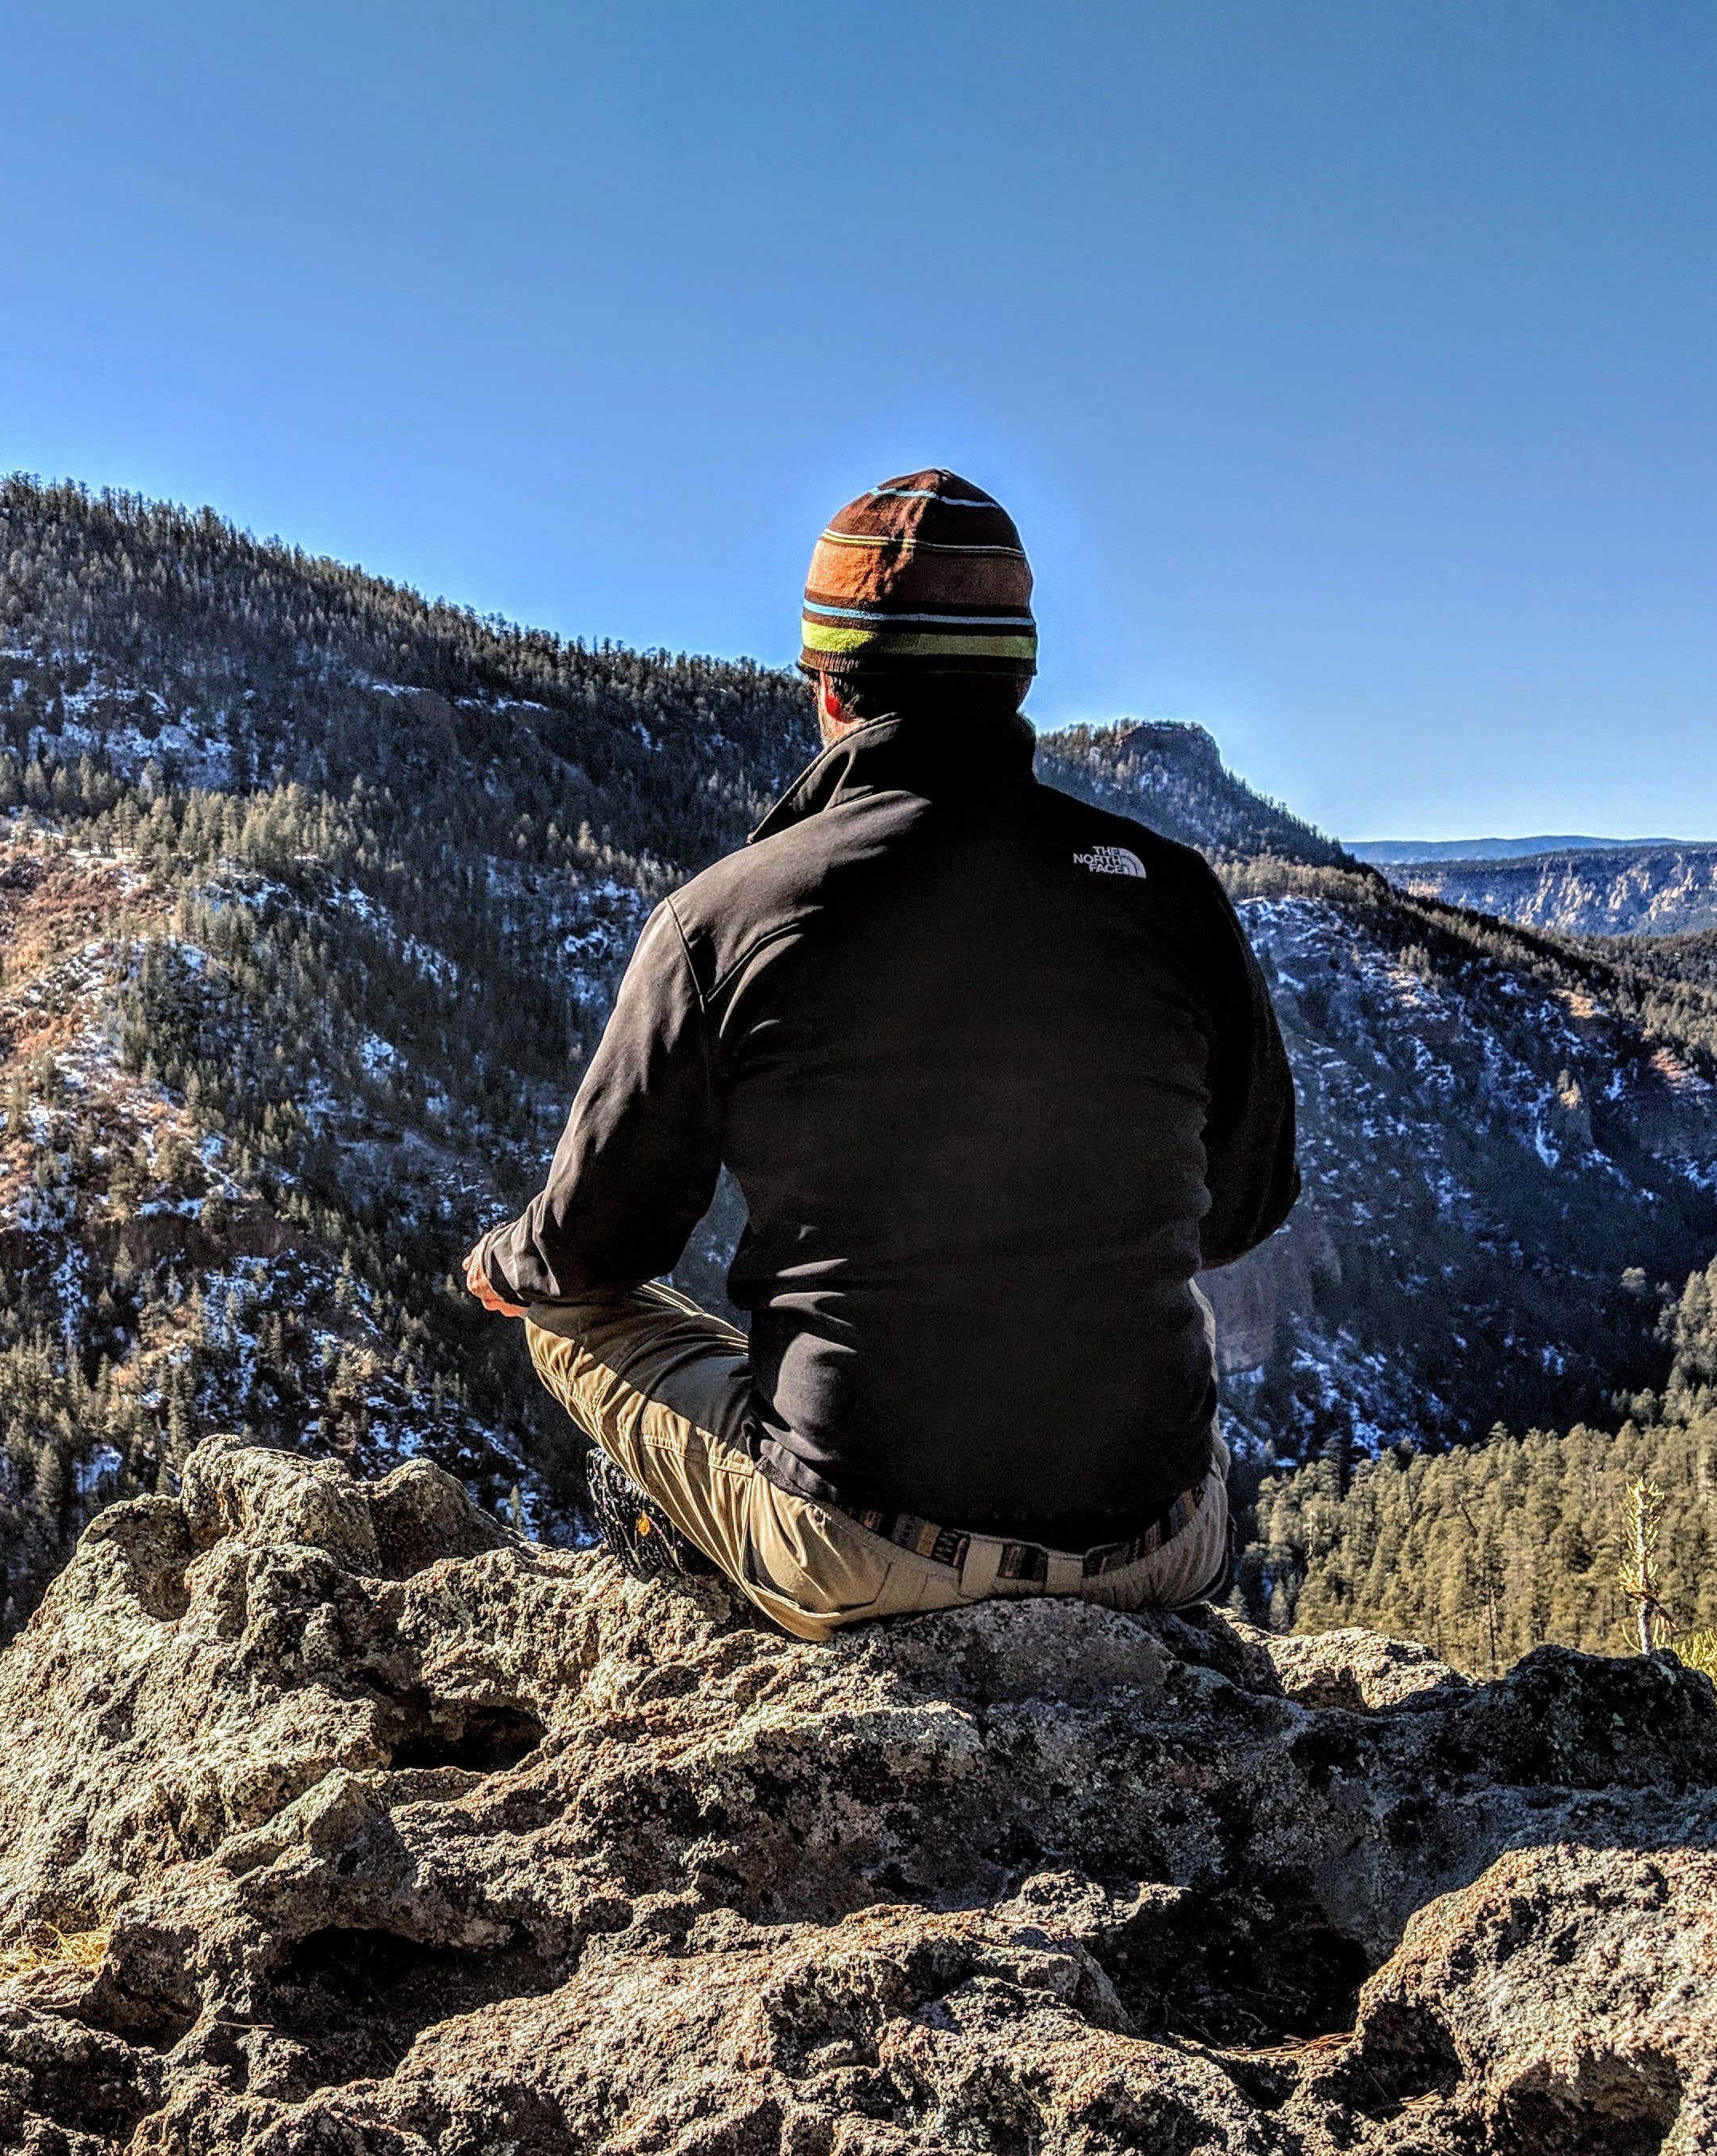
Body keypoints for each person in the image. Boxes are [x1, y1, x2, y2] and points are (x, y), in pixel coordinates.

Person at [463, 469, 1299, 1640]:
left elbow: (595, 1249)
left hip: (866, 1550)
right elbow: (1238, 1211)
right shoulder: (1172, 892)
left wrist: (503, 1262)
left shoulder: (726, 918)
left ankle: (709, 1567)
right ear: (1017, 678)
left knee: (566, 1320)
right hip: (1161, 1551)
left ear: (829, 691)